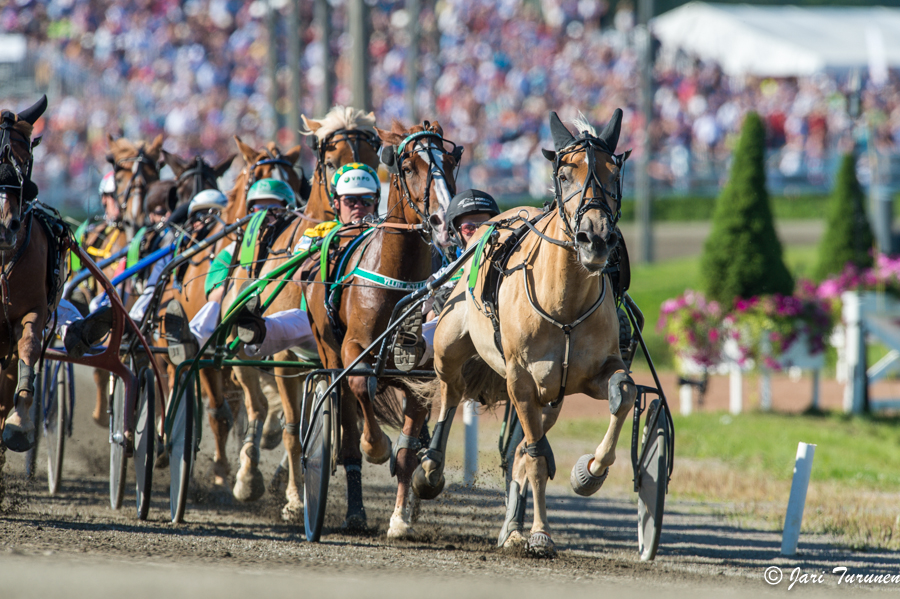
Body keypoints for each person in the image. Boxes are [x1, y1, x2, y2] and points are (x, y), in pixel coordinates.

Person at [165, 165, 381, 361]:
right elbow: (298, 277)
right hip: (323, 321)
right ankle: (251, 327)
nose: (358, 207)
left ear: (377, 202)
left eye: (367, 201)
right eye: (350, 201)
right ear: (336, 203)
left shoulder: (386, 236)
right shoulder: (317, 233)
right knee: (291, 321)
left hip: (374, 322)